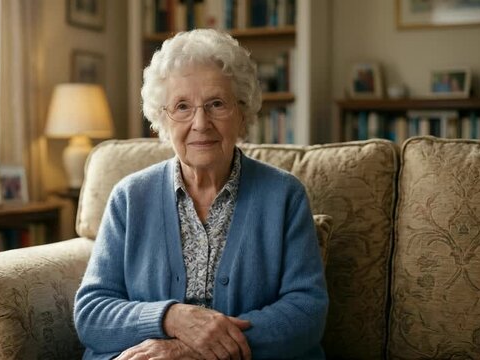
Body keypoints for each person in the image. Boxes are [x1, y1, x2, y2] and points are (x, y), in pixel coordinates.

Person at [74, 29, 328, 360]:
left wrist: (191, 351)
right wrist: (170, 318)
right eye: (182, 106)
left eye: (216, 104)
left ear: (242, 113)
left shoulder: (284, 195)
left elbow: (306, 313)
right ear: (162, 120)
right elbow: (92, 313)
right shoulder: (130, 197)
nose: (200, 122)